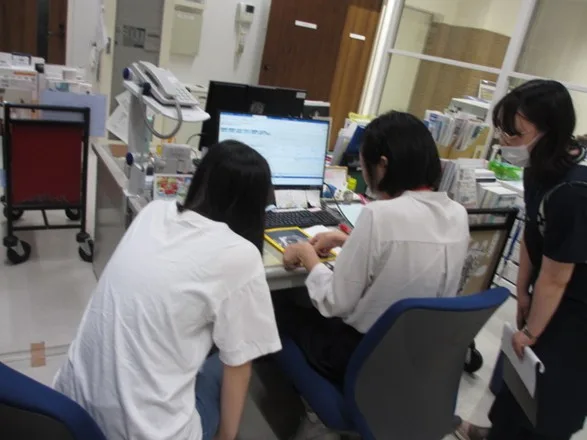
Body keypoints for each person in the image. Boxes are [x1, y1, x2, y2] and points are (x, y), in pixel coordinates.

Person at [53, 141, 282, 440]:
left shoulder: (154, 211)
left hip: (72, 411)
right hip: (146, 433)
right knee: (224, 365)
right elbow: (239, 364)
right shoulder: (241, 255)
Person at [275, 110, 470, 395]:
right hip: (416, 356)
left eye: (363, 163)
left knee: (281, 307)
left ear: (382, 165)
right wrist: (349, 240)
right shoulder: (457, 214)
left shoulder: (379, 214)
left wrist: (307, 255)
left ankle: (299, 402)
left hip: (361, 356)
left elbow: (335, 303)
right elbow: (409, 257)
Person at [460, 80, 587, 440]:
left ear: (550, 131)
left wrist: (532, 329)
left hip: (577, 306)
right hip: (550, 286)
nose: (504, 141)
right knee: (517, 371)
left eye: (514, 134)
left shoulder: (573, 192)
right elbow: (533, 230)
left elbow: (558, 277)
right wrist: (522, 292)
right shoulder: (538, 169)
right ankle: (498, 432)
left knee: (549, 391)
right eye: (502, 131)